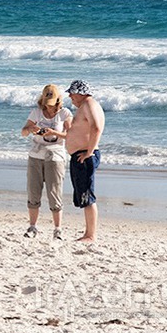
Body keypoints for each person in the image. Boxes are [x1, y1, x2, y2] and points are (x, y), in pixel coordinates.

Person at [20, 84, 73, 240]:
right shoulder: (36, 112)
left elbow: (70, 135)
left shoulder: (65, 113)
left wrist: (53, 132)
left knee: (54, 192)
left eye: (51, 104)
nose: (48, 108)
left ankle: (57, 229)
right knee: (33, 192)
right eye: (46, 103)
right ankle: (32, 227)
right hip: (36, 156)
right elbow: (23, 132)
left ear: (58, 101)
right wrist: (31, 129)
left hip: (55, 157)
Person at [64, 80, 105, 243]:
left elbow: (96, 128)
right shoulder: (86, 106)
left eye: (72, 93)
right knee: (83, 195)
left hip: (85, 155)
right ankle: (88, 233)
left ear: (80, 93)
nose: (70, 96)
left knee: (88, 196)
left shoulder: (89, 104)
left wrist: (89, 152)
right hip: (80, 154)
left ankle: (90, 235)